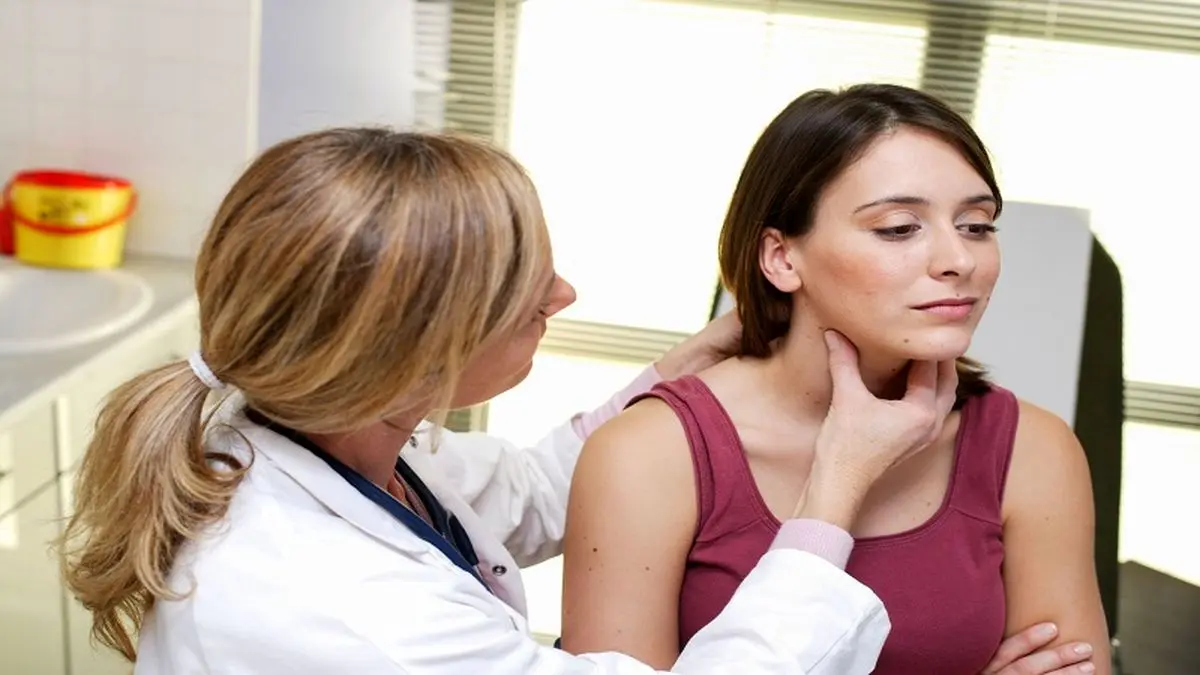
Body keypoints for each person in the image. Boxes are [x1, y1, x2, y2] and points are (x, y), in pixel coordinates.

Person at [57, 127, 1089, 675]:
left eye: (976, 224)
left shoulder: (335, 439)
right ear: (413, 347)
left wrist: (668, 376)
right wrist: (835, 494)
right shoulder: (348, 613)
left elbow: (518, 490)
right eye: (524, 289)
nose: (562, 295)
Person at [560, 84, 1110, 675]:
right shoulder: (646, 454)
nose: (960, 260)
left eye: (976, 225)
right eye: (899, 228)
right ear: (781, 257)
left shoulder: (1033, 449)